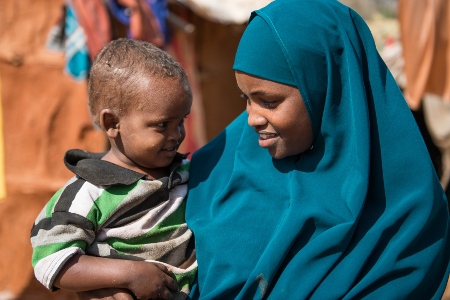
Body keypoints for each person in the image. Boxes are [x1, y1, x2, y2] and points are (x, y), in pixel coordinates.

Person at [184, 0, 450, 299]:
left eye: (269, 101)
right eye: (245, 97)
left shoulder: (406, 210)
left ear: (326, 88)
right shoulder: (218, 167)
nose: (252, 118)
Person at [30, 38, 197, 300]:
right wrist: (130, 274)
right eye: (163, 124)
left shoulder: (189, 172)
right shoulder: (89, 193)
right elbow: (50, 261)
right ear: (112, 123)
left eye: (181, 121)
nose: (177, 134)